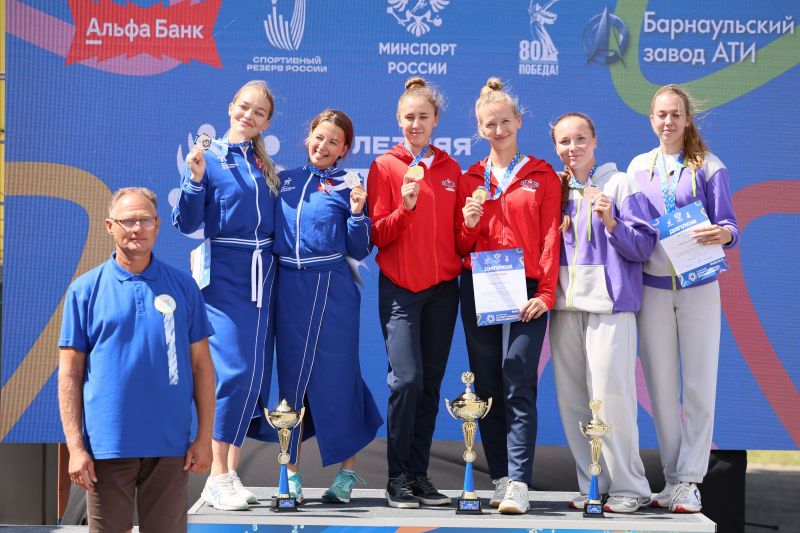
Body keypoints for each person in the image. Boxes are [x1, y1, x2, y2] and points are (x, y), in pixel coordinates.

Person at [58, 187, 215, 533]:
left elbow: (202, 366)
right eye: (128, 221)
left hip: (170, 446)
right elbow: (69, 375)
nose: (137, 228)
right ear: (109, 226)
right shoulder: (84, 290)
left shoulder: (184, 286)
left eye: (145, 220)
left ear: (157, 224)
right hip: (108, 446)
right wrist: (76, 448)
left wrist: (204, 438)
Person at [627, 84, 740, 513]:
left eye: (676, 114)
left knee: (698, 385)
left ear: (687, 118)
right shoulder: (639, 168)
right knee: (660, 389)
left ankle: (691, 480)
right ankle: (673, 479)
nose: (668, 122)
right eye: (662, 115)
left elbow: (730, 225)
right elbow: (634, 228)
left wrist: (722, 233)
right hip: (653, 290)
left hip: (699, 288)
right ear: (651, 120)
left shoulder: (709, 166)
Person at [172, 80, 280, 510]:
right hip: (225, 275)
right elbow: (185, 222)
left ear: (266, 122)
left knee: (253, 378)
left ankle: (229, 473)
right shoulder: (207, 156)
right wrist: (195, 180)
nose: (248, 116)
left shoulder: (263, 164)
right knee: (233, 372)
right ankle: (215, 475)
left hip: (264, 276)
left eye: (259, 112)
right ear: (231, 106)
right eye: (244, 107)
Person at [454, 77, 561, 514]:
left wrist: (547, 293)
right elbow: (460, 245)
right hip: (480, 283)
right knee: (486, 384)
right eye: (489, 125)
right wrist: (470, 224)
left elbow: (551, 236)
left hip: (527, 288)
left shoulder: (542, 175)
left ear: (518, 121)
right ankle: (500, 477)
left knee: (518, 375)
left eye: (504, 122)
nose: (497, 130)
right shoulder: (469, 178)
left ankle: (519, 481)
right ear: (479, 129)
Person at [548, 113, 657, 513]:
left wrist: (612, 222)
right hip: (564, 308)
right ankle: (593, 482)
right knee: (573, 402)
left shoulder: (620, 183)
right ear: (555, 147)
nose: (572, 148)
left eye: (580, 139)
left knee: (612, 400)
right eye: (564, 141)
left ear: (595, 141)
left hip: (610, 309)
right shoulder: (555, 188)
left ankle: (630, 486)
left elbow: (644, 246)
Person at [273, 109, 382, 504]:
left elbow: (359, 248)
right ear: (309, 137)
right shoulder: (283, 180)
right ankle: (290, 473)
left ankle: (347, 474)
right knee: (292, 381)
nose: (324, 146)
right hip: (289, 289)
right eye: (319, 137)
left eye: (334, 141)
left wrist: (358, 214)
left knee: (340, 377)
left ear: (344, 149)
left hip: (334, 290)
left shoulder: (349, 185)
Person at [367, 77, 462, 509]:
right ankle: (397, 477)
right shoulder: (385, 166)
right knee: (406, 381)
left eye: (423, 117)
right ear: (398, 119)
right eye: (409, 117)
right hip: (401, 291)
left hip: (443, 292)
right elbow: (377, 234)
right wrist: (404, 209)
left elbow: (459, 237)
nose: (416, 124)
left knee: (429, 385)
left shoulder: (451, 169)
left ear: (436, 119)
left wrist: (472, 226)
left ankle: (420, 476)